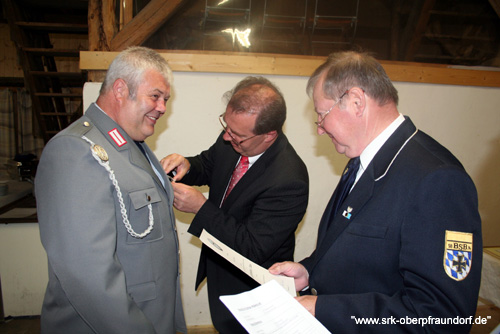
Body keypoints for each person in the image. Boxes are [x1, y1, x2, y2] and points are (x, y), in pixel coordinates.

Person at [269, 51, 482, 333]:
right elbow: (362, 256)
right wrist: (309, 272)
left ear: (356, 102)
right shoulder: (361, 162)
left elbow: (441, 317)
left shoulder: (438, 180)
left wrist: (322, 308)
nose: (319, 129)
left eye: (321, 115)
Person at [35, 46, 186, 334]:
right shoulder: (75, 151)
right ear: (120, 89)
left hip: (148, 315)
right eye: (155, 96)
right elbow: (88, 276)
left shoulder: (131, 145)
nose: (163, 107)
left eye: (165, 99)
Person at [161, 76, 309, 333]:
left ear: (269, 135)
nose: (228, 137)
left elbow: (253, 246)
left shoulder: (289, 179)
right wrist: (188, 164)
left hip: (253, 290)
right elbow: (209, 164)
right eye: (226, 127)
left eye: (237, 135)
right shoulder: (236, 136)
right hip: (221, 272)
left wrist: (200, 208)